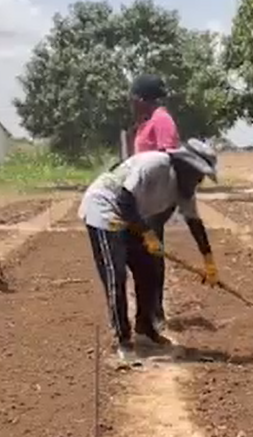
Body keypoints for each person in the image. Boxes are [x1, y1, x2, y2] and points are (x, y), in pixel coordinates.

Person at [80, 139, 220, 361]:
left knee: (149, 271)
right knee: (116, 276)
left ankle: (145, 331)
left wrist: (209, 261)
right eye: (198, 174)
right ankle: (123, 341)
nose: (200, 180)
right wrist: (146, 233)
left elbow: (194, 223)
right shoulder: (155, 164)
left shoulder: (184, 189)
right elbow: (124, 198)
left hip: (132, 218)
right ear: (185, 165)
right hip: (105, 211)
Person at [128, 74, 179, 157]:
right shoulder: (146, 123)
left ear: (141, 100)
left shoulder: (161, 119)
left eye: (132, 100)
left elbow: (167, 158)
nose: (131, 105)